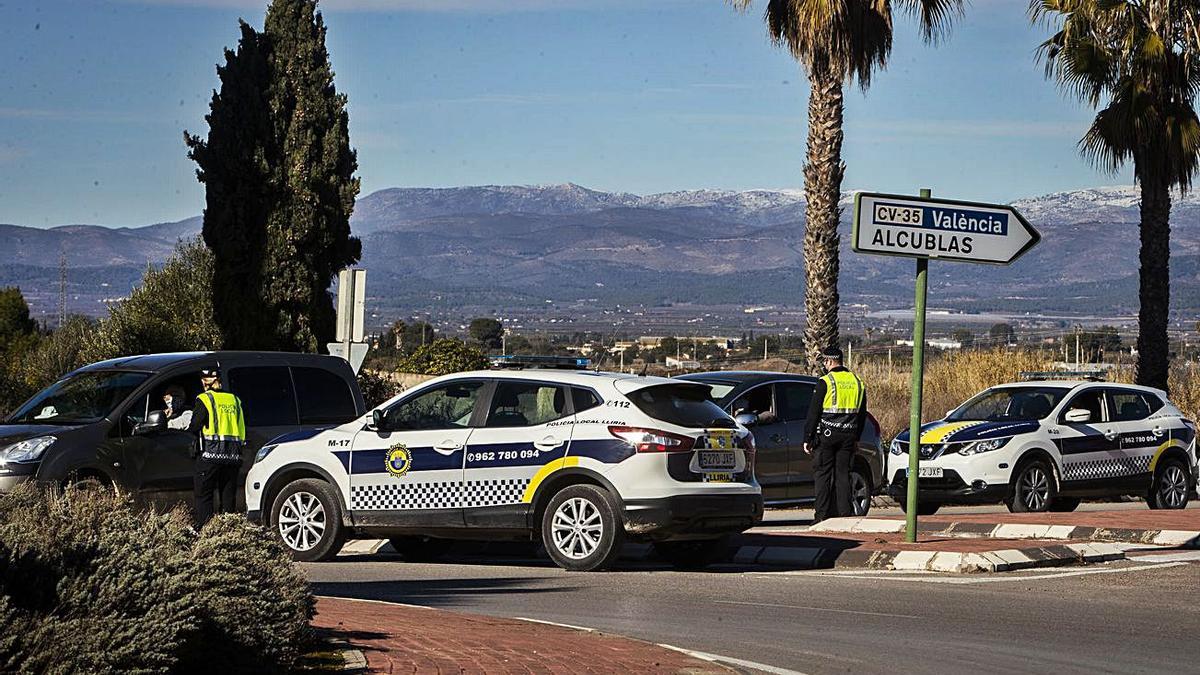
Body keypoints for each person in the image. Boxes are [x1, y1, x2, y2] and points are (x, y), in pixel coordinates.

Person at [804, 347, 867, 523]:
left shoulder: (826, 381)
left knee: (823, 475)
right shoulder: (857, 382)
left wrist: (807, 438)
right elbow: (862, 414)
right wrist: (857, 438)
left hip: (827, 435)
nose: (824, 365)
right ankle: (845, 516)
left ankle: (821, 517)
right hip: (848, 435)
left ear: (830, 361)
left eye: (824, 362)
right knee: (843, 475)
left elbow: (814, 413)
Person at [187, 369, 246, 526]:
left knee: (204, 495)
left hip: (210, 455)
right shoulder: (234, 400)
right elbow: (241, 429)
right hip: (233, 456)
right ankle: (228, 530)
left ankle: (206, 531)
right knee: (228, 497)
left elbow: (195, 426)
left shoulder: (205, 399)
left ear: (204, 381)